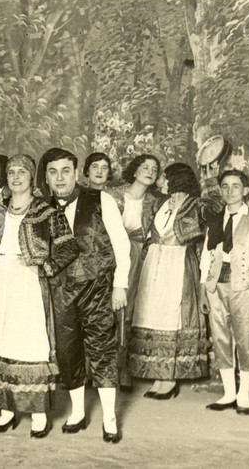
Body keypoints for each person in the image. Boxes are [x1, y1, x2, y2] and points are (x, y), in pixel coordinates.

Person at [0, 154, 80, 438]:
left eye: (22, 173)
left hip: (26, 282)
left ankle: (38, 413)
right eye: (11, 172)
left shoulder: (46, 211)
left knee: (27, 342)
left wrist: (46, 267)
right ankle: (7, 412)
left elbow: (68, 247)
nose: (16, 177)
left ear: (31, 178)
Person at [37, 147, 130, 442]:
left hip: (97, 288)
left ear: (76, 173)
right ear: (47, 178)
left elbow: (121, 245)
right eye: (53, 172)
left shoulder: (100, 199)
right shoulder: (41, 209)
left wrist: (120, 285)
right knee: (67, 352)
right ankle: (77, 412)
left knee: (102, 349)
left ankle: (110, 418)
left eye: (65, 171)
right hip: (61, 291)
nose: (60, 178)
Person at [200, 170, 249, 415]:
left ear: (246, 190)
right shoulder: (215, 219)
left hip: (246, 286)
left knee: (246, 338)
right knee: (221, 338)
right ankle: (228, 393)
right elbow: (207, 255)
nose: (230, 191)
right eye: (225, 186)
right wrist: (204, 287)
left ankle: (243, 394)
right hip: (217, 286)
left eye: (236, 186)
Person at [130, 163, 210, 400]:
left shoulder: (195, 205)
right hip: (155, 262)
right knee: (152, 315)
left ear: (177, 180)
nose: (159, 183)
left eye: (164, 178)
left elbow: (203, 228)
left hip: (177, 263)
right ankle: (158, 376)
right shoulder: (159, 203)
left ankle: (169, 380)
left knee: (171, 316)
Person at [106, 154, 162, 389]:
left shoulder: (156, 201)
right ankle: (98, 367)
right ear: (135, 170)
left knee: (127, 310)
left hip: (137, 254)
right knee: (102, 307)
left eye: (154, 169)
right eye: (145, 167)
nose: (150, 171)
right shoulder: (113, 194)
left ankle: (122, 367)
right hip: (109, 252)